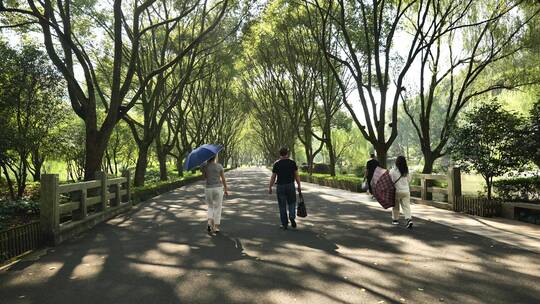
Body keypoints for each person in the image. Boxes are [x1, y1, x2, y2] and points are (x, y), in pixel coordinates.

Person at [268, 147, 301, 230]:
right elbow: (296, 175)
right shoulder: (292, 163)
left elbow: (273, 177)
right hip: (290, 185)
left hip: (280, 186)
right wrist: (299, 185)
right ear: (287, 153)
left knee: (282, 206)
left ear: (280, 154)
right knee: (292, 202)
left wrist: (270, 187)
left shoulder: (277, 163)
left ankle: (284, 224)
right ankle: (292, 216)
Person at [202, 154, 229, 233]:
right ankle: (216, 227)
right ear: (215, 157)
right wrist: (226, 189)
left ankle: (209, 223)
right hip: (218, 188)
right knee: (217, 207)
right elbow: (223, 179)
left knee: (210, 207)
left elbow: (204, 178)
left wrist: (204, 170)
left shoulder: (205, 166)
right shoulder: (219, 166)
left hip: (208, 188)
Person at [390, 155, 413, 228]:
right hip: (406, 191)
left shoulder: (393, 170)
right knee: (406, 206)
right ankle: (409, 220)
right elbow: (409, 180)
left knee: (396, 206)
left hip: (397, 191)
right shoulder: (407, 170)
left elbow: (391, 181)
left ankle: (395, 220)